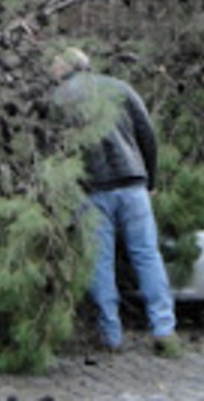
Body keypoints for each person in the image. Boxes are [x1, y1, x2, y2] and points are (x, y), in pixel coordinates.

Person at [52, 47, 181, 356]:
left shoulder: (59, 99)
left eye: (54, 62)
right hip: (133, 184)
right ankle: (164, 329)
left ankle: (111, 336)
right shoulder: (120, 88)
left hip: (93, 189)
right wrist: (150, 179)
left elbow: (54, 149)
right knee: (147, 255)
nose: (51, 68)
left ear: (66, 67)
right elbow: (146, 134)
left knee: (100, 262)